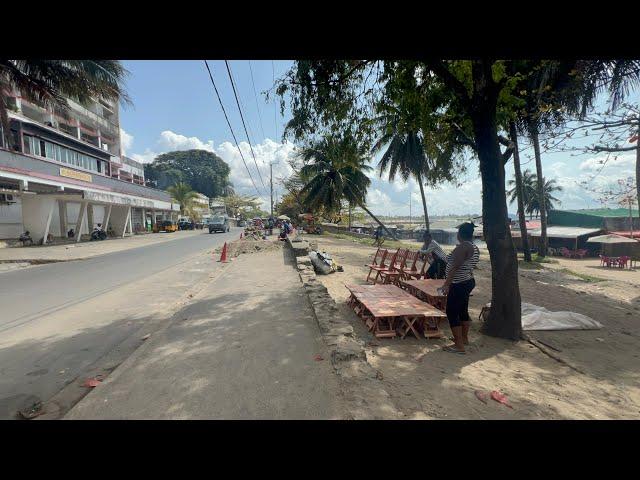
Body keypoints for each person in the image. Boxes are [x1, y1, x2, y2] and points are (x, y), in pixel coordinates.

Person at [440, 222, 480, 354]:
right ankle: (463, 338)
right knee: (462, 310)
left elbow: (455, 267)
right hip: (466, 281)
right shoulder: (473, 246)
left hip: (459, 283)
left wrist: (446, 284)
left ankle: (459, 346)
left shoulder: (463, 247)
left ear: (459, 234)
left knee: (451, 311)